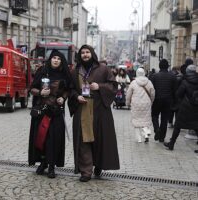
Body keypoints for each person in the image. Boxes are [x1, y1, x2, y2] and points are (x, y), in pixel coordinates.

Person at [68, 45, 120, 182]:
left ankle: (99, 165)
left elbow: (114, 86)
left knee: (99, 139)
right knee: (84, 140)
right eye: (83, 53)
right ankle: (86, 171)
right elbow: (71, 89)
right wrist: (76, 97)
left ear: (92, 54)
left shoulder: (103, 69)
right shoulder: (75, 71)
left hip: (100, 110)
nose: (85, 55)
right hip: (82, 108)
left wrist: (100, 86)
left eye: (87, 52)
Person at [28, 49, 72, 178]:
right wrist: (40, 93)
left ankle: (52, 166)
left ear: (61, 61)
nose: (56, 60)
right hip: (42, 111)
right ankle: (43, 163)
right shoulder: (42, 71)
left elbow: (68, 89)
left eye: (58, 58)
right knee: (42, 138)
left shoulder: (64, 73)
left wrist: (63, 98)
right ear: (50, 59)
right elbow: (32, 89)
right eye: (54, 58)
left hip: (56, 112)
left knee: (54, 139)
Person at [164, 65, 198, 152]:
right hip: (196, 108)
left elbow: (178, 94)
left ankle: (171, 144)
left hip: (185, 108)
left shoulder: (185, 82)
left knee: (178, 126)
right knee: (196, 126)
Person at [126, 68, 155, 143]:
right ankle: (146, 134)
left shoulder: (133, 82)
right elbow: (152, 93)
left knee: (136, 121)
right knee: (145, 120)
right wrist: (151, 101)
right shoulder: (149, 82)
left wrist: (128, 103)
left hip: (136, 104)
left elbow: (128, 94)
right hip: (146, 103)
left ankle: (139, 139)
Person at [150, 59, 177, 142]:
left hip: (157, 100)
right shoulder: (172, 76)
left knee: (154, 115)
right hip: (168, 100)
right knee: (164, 119)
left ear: (159, 66)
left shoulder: (154, 76)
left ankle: (157, 129)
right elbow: (174, 90)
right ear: (167, 66)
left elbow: (152, 89)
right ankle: (162, 137)